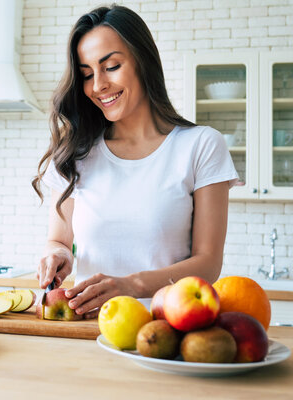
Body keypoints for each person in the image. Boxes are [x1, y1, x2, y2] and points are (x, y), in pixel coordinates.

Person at [31, 5, 238, 319]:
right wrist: (56, 255)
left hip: (165, 332)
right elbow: (58, 239)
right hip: (87, 331)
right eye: (86, 74)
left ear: (143, 61)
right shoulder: (77, 152)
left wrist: (131, 285)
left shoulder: (200, 145)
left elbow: (208, 263)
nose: (97, 85)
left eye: (111, 66)